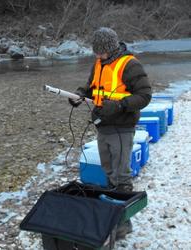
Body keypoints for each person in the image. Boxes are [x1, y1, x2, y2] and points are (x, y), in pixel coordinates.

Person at [69, 27, 152, 239]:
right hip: (102, 125)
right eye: (95, 51)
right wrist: (79, 95)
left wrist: (120, 105)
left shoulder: (130, 65)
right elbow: (90, 88)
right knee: (108, 171)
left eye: (100, 52)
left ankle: (123, 226)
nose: (97, 55)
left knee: (121, 176)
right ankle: (114, 217)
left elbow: (144, 96)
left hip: (122, 128)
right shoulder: (98, 63)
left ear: (111, 48)